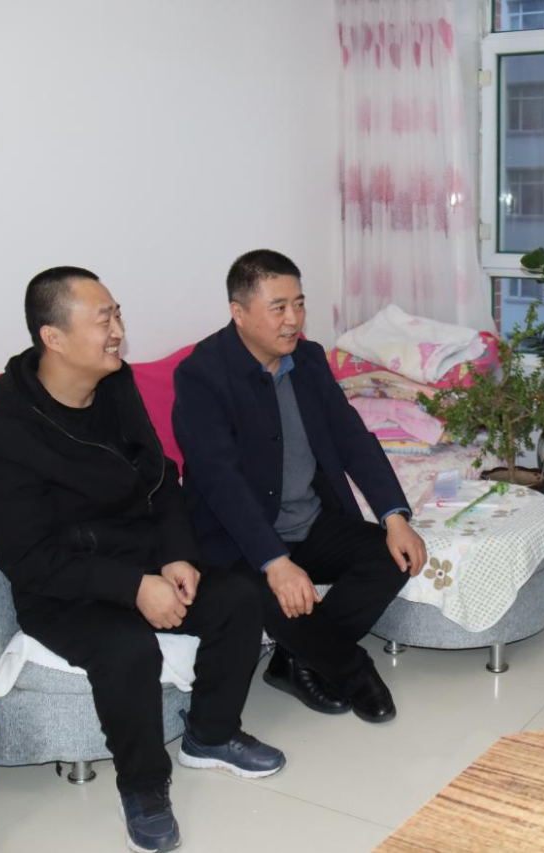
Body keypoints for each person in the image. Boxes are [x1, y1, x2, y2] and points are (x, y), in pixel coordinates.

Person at [0, 267, 284, 853]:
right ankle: (142, 786)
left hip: (143, 560)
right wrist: (133, 586)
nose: (118, 330)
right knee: (127, 647)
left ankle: (211, 735)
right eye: (102, 319)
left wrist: (178, 555)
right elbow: (31, 561)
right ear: (54, 338)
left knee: (238, 596)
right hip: (65, 589)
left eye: (117, 314)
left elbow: (160, 478)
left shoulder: (115, 387)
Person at [172, 250, 427, 724]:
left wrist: (394, 516)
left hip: (310, 521)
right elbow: (219, 480)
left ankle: (295, 659)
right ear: (238, 312)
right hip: (239, 542)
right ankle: (353, 671)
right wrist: (275, 561)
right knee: (266, 598)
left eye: (299, 304)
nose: (293, 319)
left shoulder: (307, 359)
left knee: (392, 556)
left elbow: (351, 437)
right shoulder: (201, 376)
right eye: (278, 307)